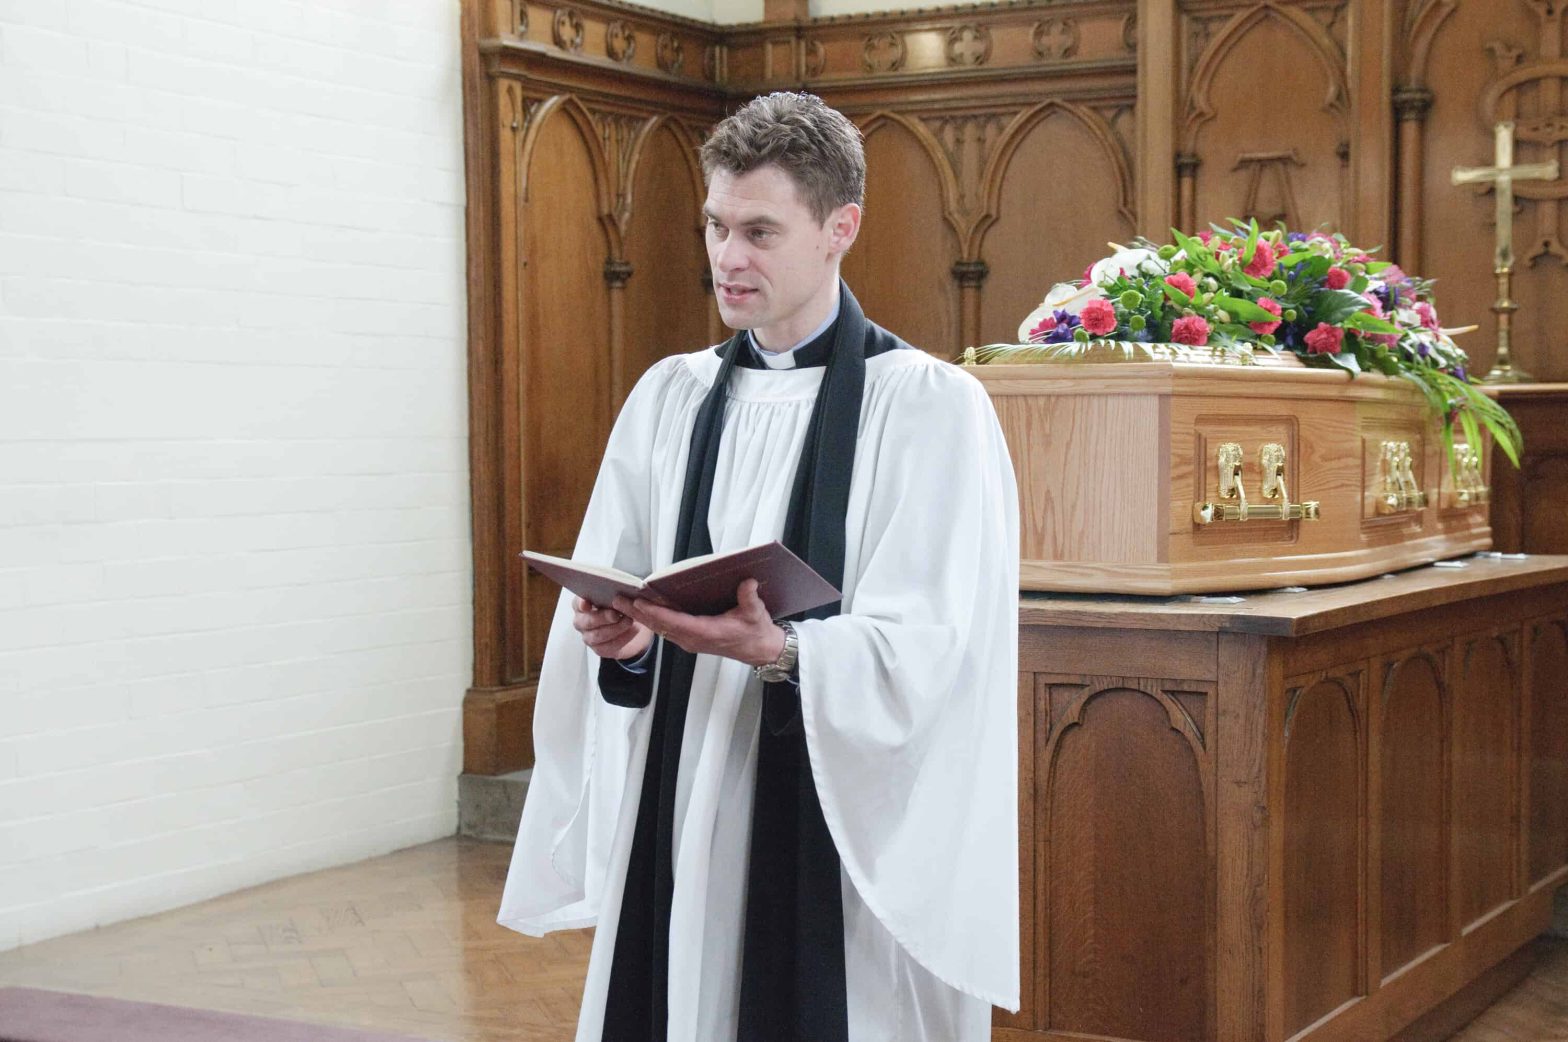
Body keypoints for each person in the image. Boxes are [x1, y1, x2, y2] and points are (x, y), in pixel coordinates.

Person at [496, 91, 1020, 1042]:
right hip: (684, 777)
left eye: (760, 231)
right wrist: (619, 641)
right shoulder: (670, 397)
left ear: (839, 229)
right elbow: (617, 588)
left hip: (829, 810)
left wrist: (784, 654)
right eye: (715, 225)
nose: (727, 257)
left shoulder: (930, 409)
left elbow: (937, 647)